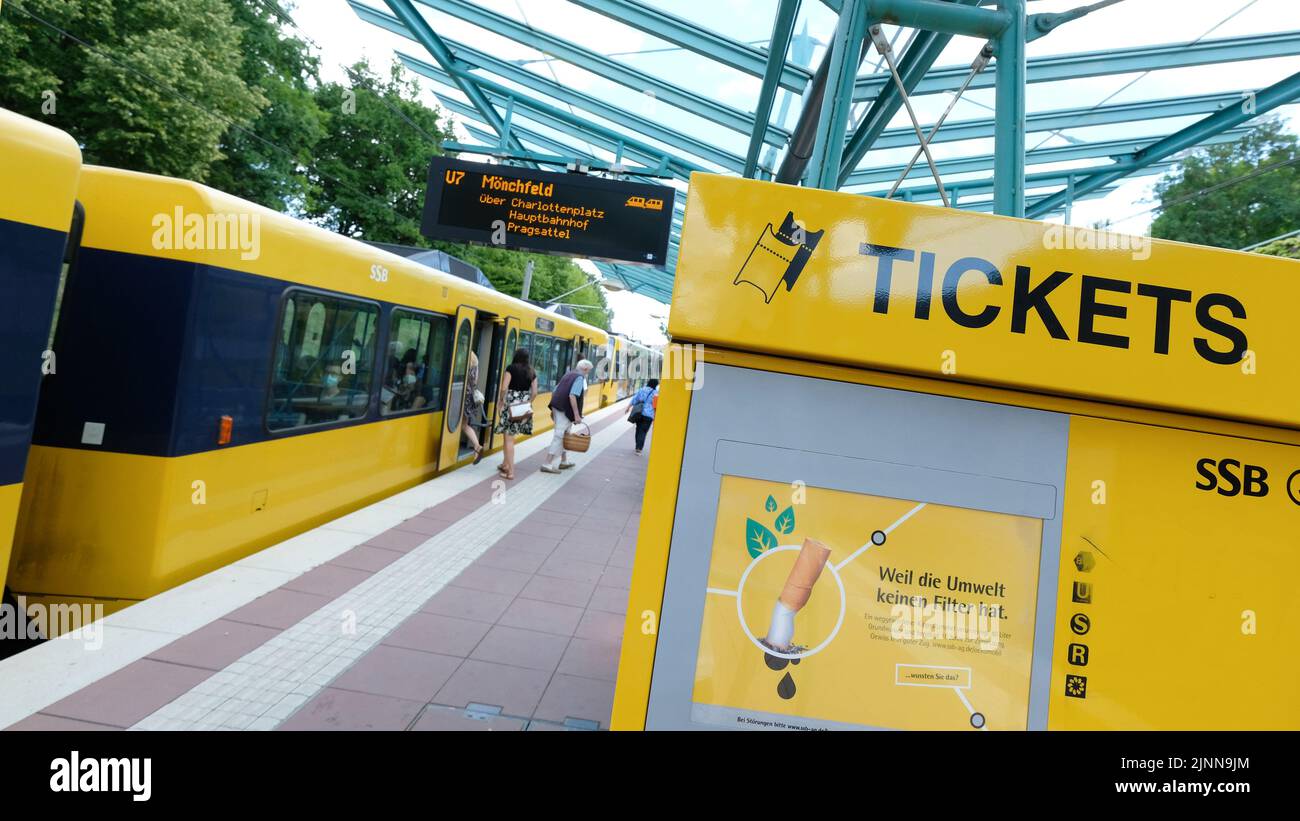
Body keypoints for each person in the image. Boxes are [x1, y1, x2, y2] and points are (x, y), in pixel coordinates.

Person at [540, 359, 593, 474]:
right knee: (559, 435)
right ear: (585, 369)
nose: (588, 373)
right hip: (564, 409)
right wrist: (577, 415)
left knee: (566, 434)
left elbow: (555, 391)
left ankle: (563, 461)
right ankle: (547, 463)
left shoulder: (568, 374)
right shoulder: (579, 378)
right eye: (588, 371)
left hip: (557, 406)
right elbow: (572, 396)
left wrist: (553, 409)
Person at [494, 347, 537, 480]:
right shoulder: (532, 371)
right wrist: (527, 402)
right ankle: (505, 464)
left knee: (509, 439)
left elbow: (503, 387)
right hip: (522, 408)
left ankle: (511, 472)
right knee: (508, 437)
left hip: (510, 406)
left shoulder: (511, 368)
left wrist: (501, 400)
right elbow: (535, 392)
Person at [462, 350, 485, 464]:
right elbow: (475, 381)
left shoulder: (463, 356)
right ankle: (477, 447)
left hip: (461, 395)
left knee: (462, 424)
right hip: (470, 395)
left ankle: (477, 446)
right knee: (464, 425)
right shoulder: (475, 359)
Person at [626, 378, 659, 454]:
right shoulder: (656, 393)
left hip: (639, 412)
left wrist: (628, 407)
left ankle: (637, 445)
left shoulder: (642, 389)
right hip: (649, 415)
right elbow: (656, 406)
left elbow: (635, 399)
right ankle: (639, 448)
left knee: (638, 429)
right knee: (643, 431)